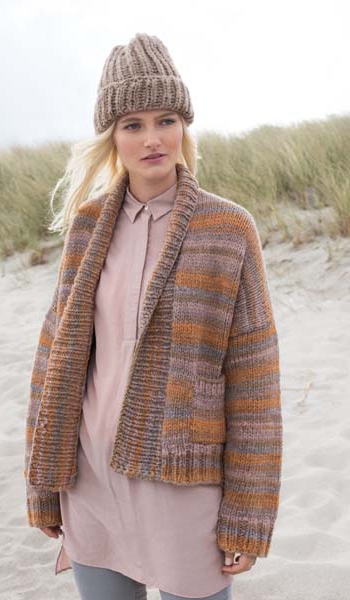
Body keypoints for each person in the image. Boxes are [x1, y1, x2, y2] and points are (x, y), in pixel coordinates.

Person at [24, 32, 283, 600]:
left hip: (184, 489)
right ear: (111, 137)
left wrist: (248, 512)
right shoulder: (87, 227)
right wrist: (43, 481)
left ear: (184, 126)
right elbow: (54, 359)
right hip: (91, 483)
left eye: (166, 120)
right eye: (132, 124)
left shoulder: (228, 230)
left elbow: (254, 381)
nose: (152, 139)